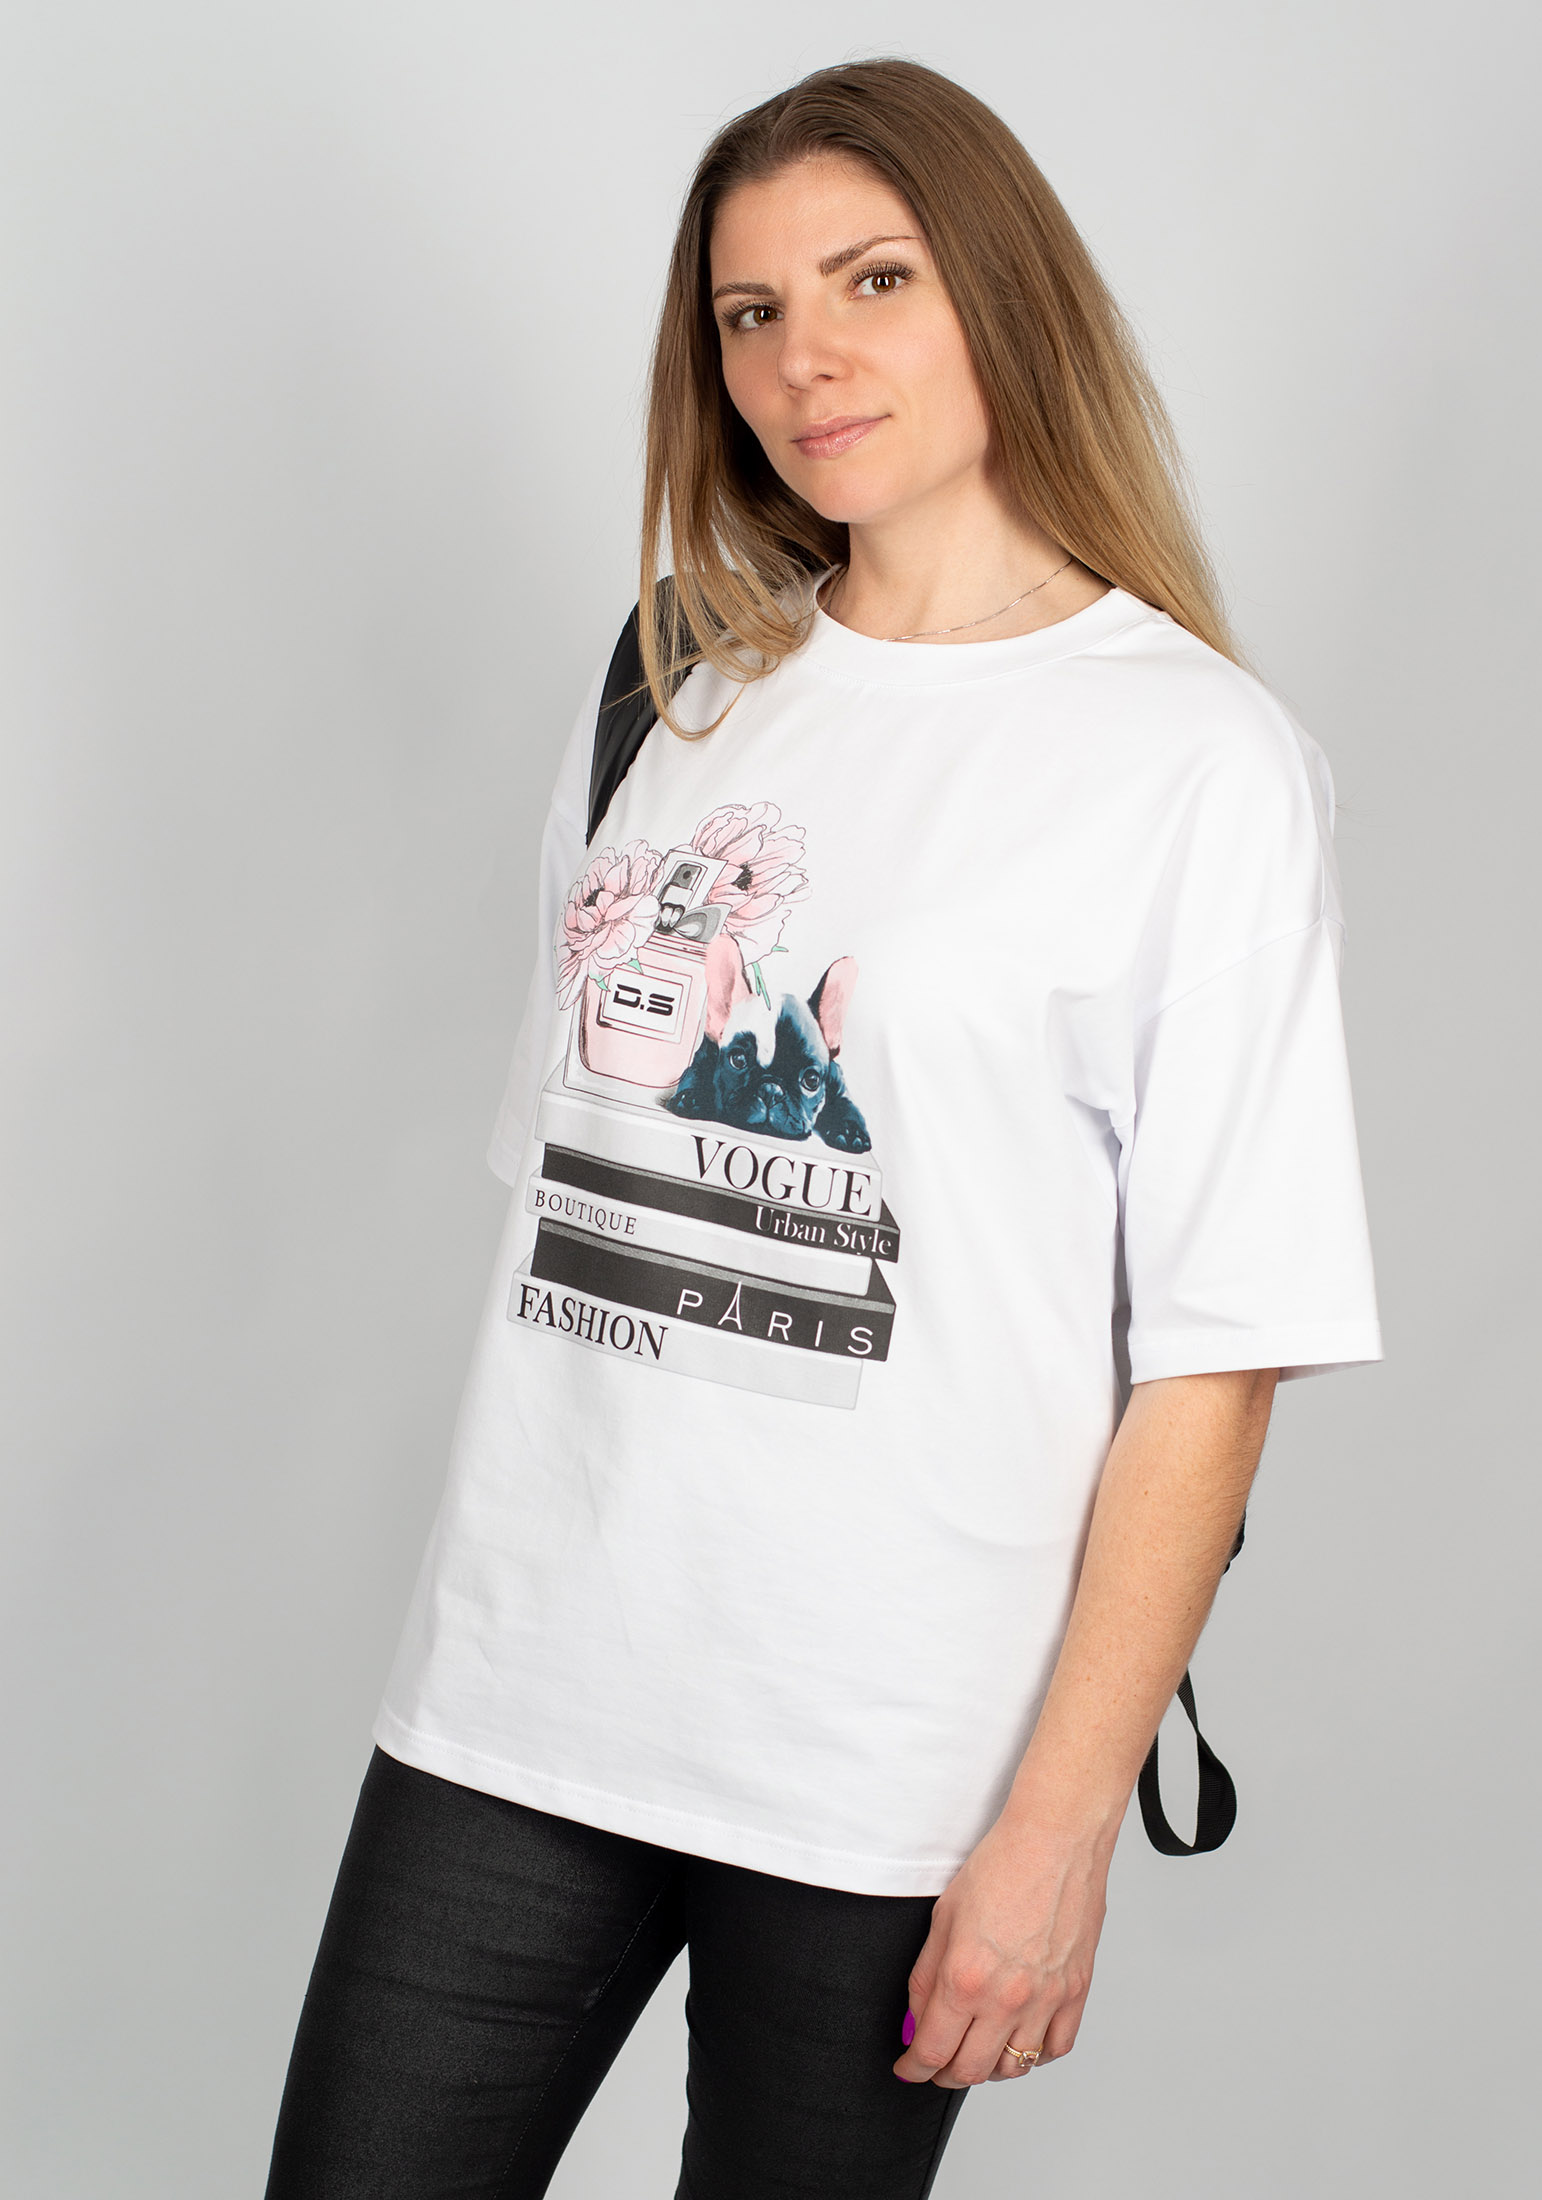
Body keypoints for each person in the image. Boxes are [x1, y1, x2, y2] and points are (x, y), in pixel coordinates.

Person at [263, 55, 1381, 2200]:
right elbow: (581, 1191)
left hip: (883, 1764)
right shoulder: (674, 682)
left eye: (874, 280)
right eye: (749, 312)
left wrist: (1056, 1828)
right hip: (519, 1696)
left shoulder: (1197, 764)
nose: (805, 360)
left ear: (1001, 290)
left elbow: (1218, 1356)